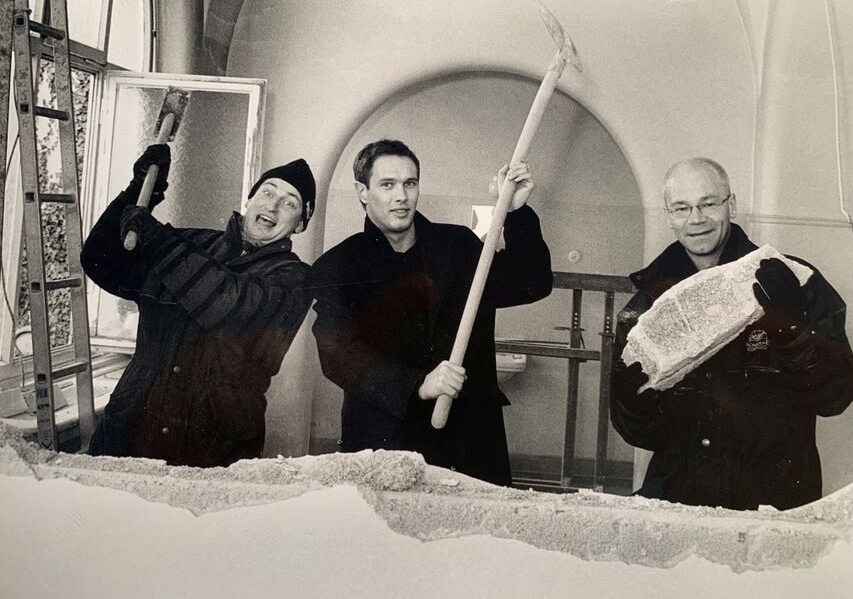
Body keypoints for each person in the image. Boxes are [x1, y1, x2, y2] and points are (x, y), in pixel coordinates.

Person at [611, 157, 853, 510]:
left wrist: (793, 329)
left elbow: (835, 398)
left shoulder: (791, 281)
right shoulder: (645, 306)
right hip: (680, 501)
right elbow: (642, 435)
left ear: (732, 205)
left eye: (708, 203)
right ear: (669, 216)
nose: (696, 219)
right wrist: (632, 405)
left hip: (771, 504)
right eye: (682, 208)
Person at [309, 139, 552, 486]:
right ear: (363, 191)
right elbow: (338, 356)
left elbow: (532, 282)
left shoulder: (459, 247)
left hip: (467, 443)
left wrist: (516, 212)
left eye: (410, 183)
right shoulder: (339, 266)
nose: (401, 196)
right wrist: (418, 385)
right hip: (385, 440)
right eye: (387, 184)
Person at [82, 144, 316, 467]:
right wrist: (138, 191)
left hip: (208, 453)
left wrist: (160, 242)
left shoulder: (296, 279)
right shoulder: (191, 243)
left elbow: (229, 306)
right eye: (267, 192)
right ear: (249, 200)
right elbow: (100, 259)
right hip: (129, 434)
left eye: (290, 203)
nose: (273, 205)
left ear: (300, 223)